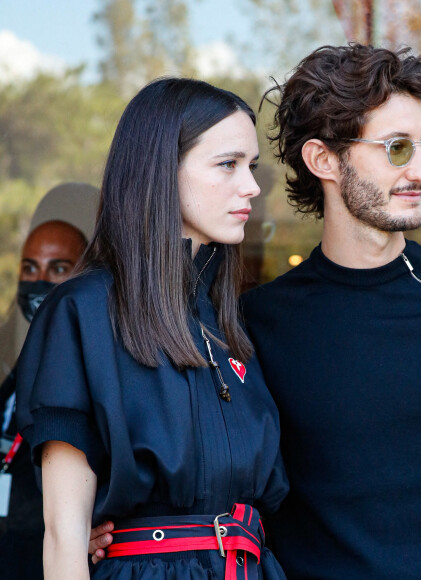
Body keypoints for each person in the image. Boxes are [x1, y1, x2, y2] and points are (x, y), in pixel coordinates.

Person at [89, 45, 421, 579]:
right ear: (324, 160)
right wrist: (108, 527)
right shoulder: (252, 323)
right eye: (397, 148)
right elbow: (205, 469)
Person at [16, 78, 288, 580]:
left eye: (252, 167)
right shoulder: (84, 312)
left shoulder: (225, 323)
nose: (250, 186)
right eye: (228, 164)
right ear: (162, 171)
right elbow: (63, 537)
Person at [0, 182, 97, 580]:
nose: (39, 282)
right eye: (30, 268)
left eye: (58, 269)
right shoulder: (9, 360)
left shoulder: (98, 366)